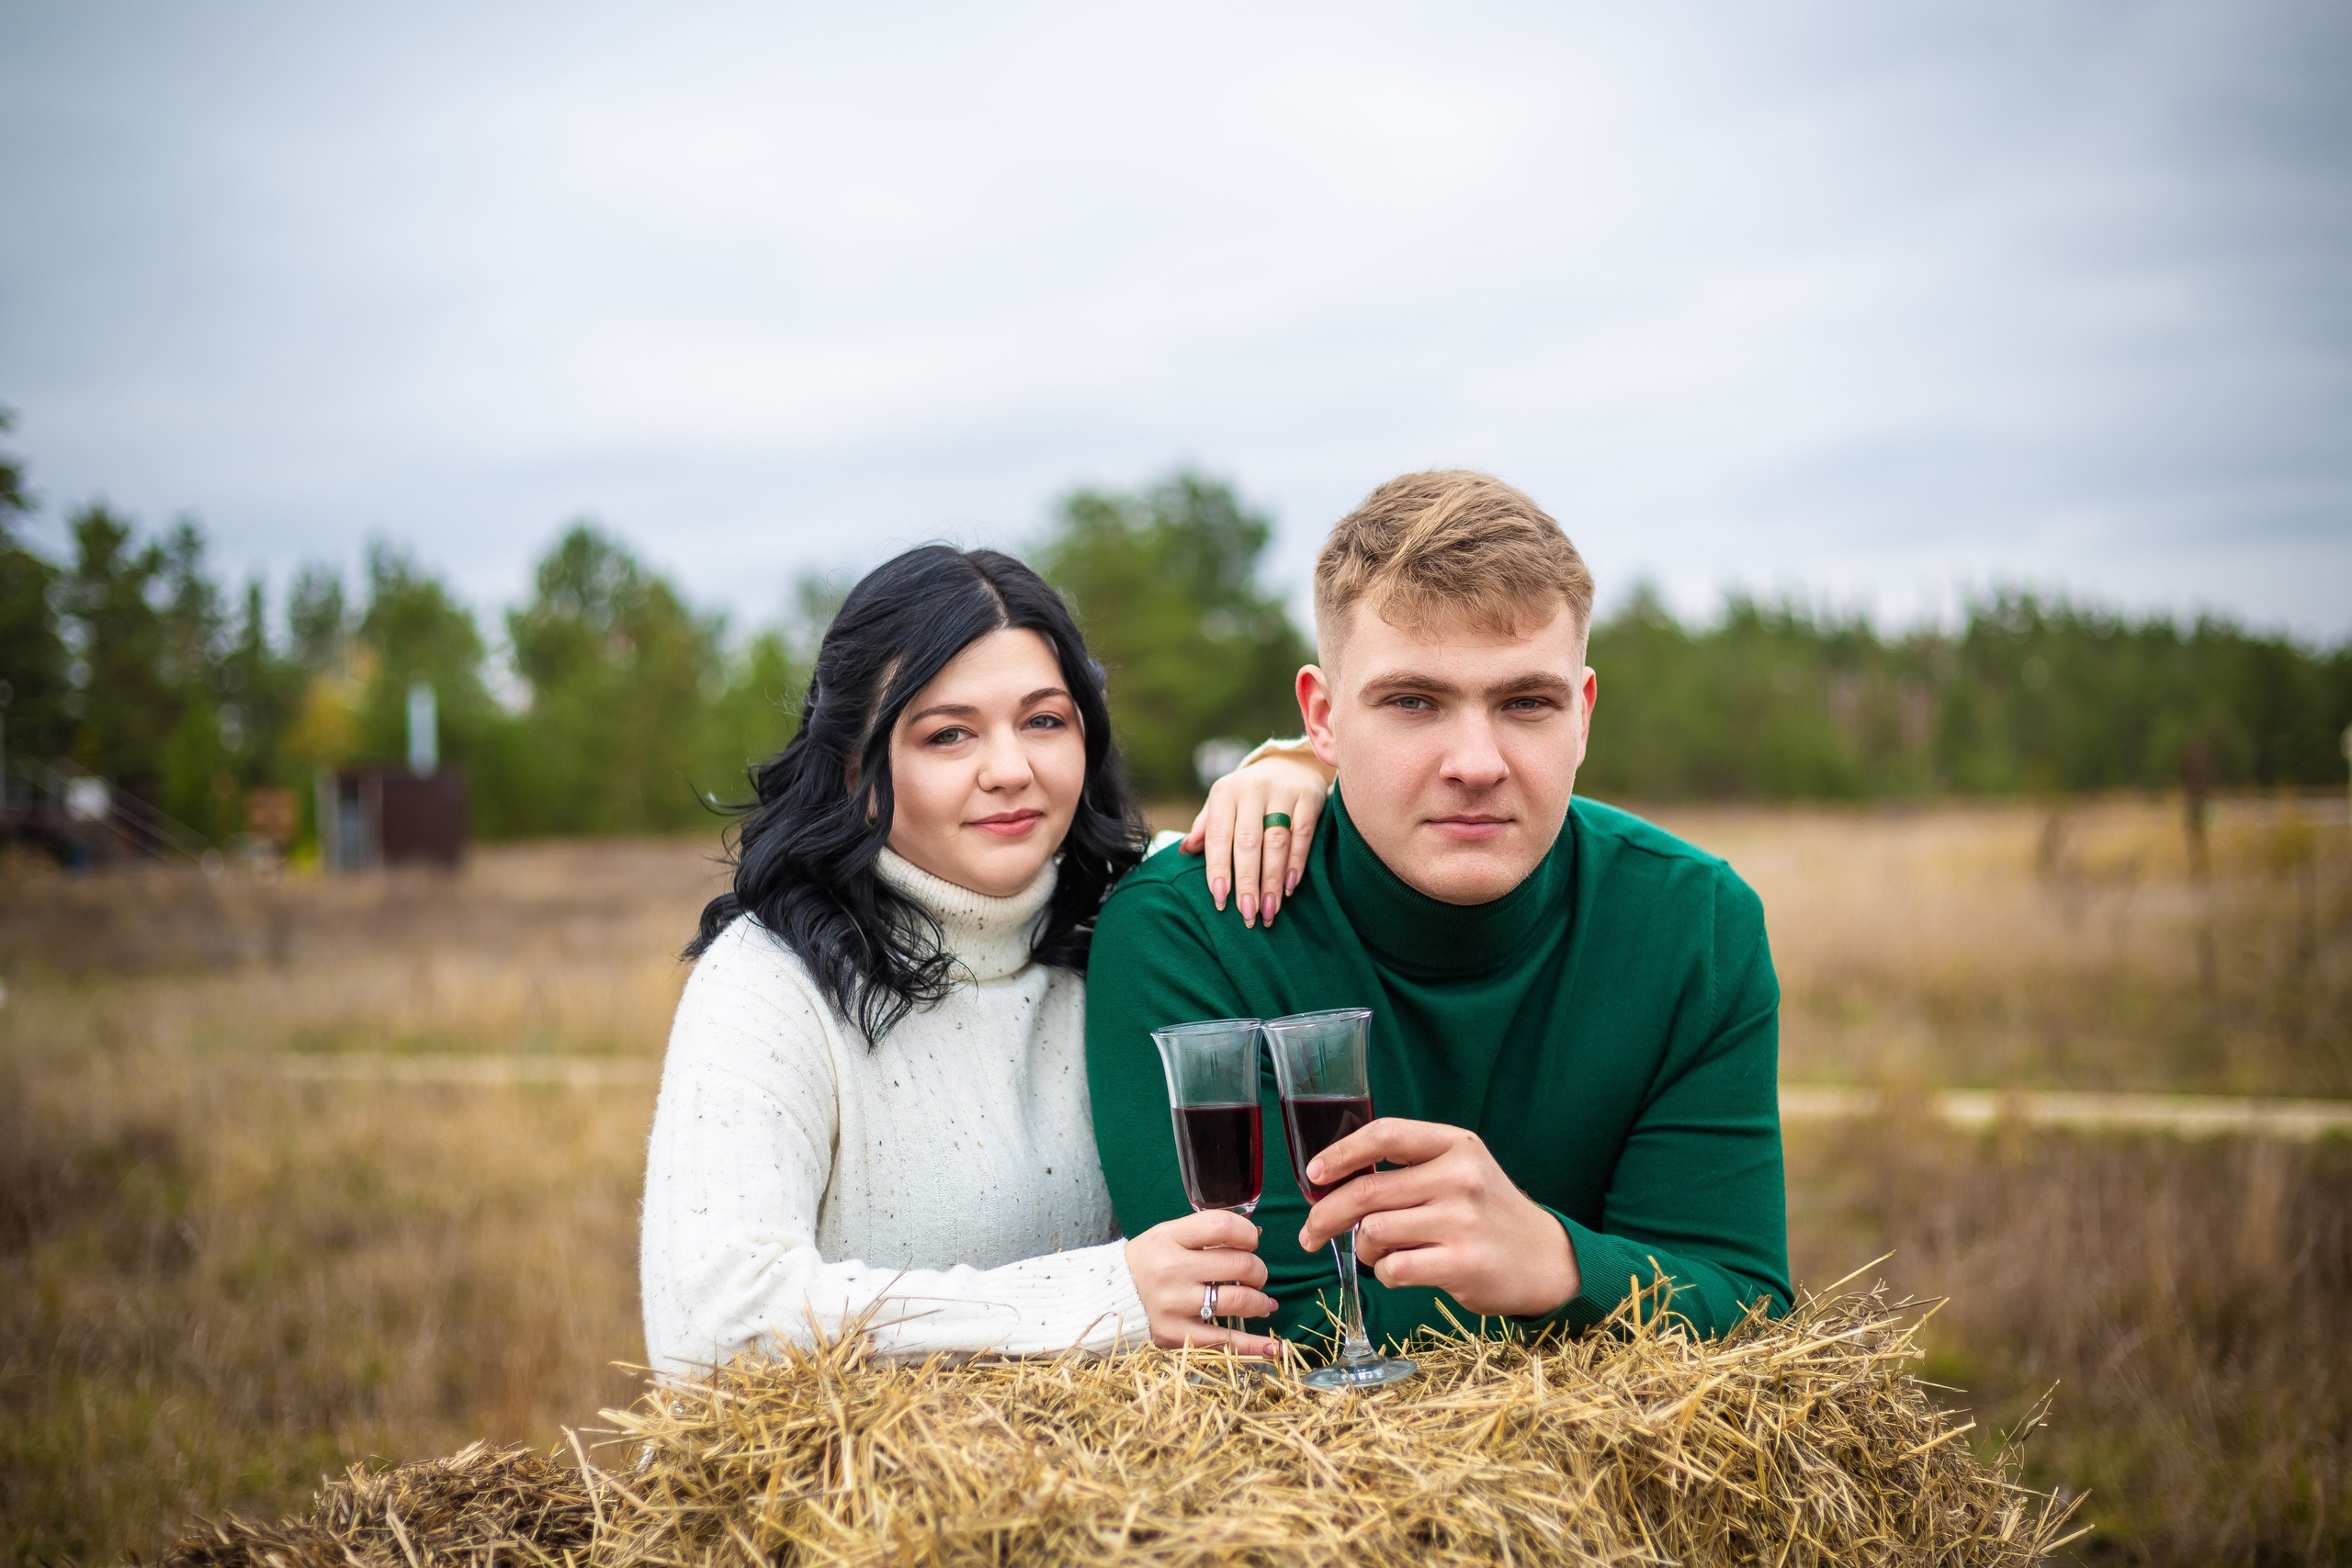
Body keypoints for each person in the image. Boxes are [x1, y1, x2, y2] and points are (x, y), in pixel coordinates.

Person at [1086, 470, 1790, 1356]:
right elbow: (1258, 1321)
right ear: (1323, 719)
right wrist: (1606, 1289)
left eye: (1525, 702)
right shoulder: (1191, 928)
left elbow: (1751, 1310)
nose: (1476, 761)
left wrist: (1559, 1262)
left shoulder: (1697, 925)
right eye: (1414, 701)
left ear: (1583, 716)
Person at [639, 544, 1332, 1377]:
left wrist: (1297, 767)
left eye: (1044, 721)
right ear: (857, 767)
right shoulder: (767, 980)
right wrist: (1103, 1296)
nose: (1011, 770)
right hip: (850, 1492)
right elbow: (713, 1326)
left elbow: (1305, 811)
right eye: (948, 734)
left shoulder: (1130, 919)